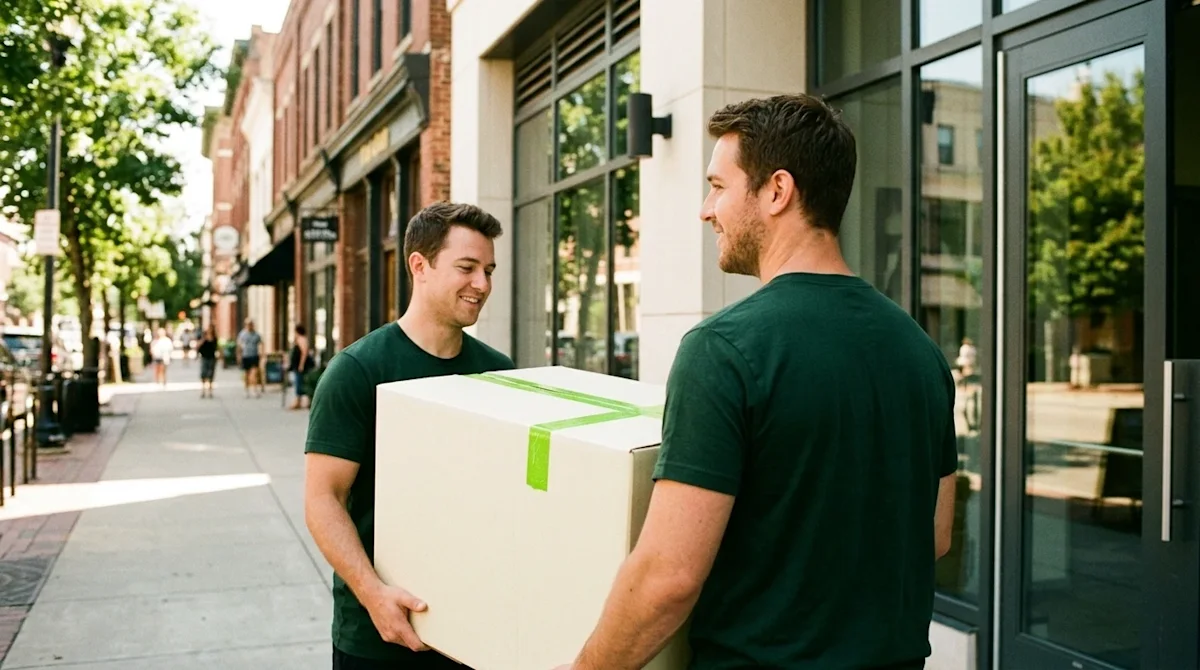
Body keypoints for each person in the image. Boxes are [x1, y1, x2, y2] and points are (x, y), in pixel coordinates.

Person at [557, 95, 957, 669]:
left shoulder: (724, 350)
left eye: (718, 186)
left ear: (776, 191)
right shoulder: (921, 353)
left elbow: (667, 579)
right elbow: (935, 538)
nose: (705, 209)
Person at [304, 202, 514, 670]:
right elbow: (323, 499)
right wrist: (373, 594)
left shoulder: (500, 374)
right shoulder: (356, 372)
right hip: (380, 635)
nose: (482, 284)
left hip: (476, 633)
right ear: (419, 265)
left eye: (489, 270)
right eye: (467, 268)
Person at [288, 324, 314, 410]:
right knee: (299, 382)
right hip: (297, 365)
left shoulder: (301, 339)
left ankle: (299, 401)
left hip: (300, 366)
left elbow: (304, 352)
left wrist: (301, 365)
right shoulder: (300, 339)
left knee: (299, 382)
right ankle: (300, 401)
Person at [236, 318, 264, 398]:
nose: (250, 326)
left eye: (251, 324)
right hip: (246, 356)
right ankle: (246, 390)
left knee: (254, 373)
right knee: (247, 374)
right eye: (248, 324)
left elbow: (261, 343)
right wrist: (239, 356)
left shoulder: (256, 334)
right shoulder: (242, 334)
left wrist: (262, 354)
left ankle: (254, 390)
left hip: (254, 356)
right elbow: (239, 346)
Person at [197, 325, 219, 398]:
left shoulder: (214, 338)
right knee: (203, 374)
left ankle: (210, 391)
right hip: (204, 357)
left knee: (210, 374)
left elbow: (217, 348)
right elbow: (198, 346)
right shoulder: (204, 337)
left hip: (212, 358)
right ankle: (203, 390)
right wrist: (203, 339)